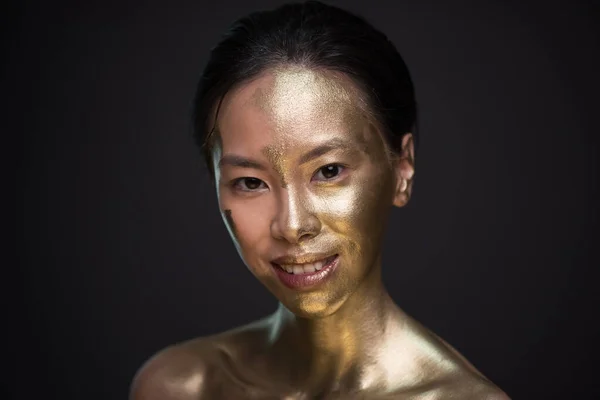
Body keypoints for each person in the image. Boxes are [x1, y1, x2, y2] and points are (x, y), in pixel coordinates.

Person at [131, 1, 509, 398]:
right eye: (249, 182)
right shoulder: (180, 387)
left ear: (402, 169)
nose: (293, 226)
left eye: (329, 171)